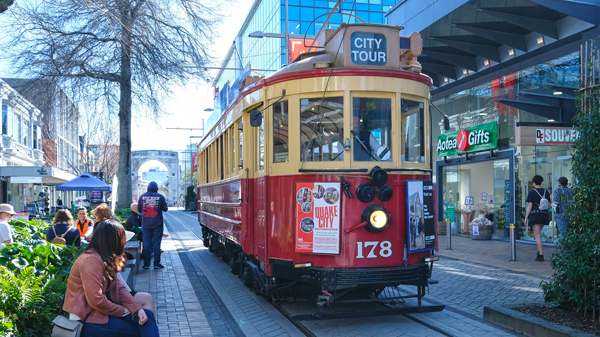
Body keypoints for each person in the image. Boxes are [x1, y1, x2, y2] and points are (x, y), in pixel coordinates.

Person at [62, 219, 159, 337]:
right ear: (113, 241)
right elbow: (96, 300)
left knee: (146, 315)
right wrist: (123, 310)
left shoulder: (102, 258)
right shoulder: (91, 261)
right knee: (139, 327)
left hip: (98, 314)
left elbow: (120, 288)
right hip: (87, 319)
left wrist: (136, 308)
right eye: (122, 240)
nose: (124, 244)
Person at [140, 181, 168, 270]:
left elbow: (139, 209)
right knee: (156, 243)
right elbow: (165, 209)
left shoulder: (142, 197)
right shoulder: (160, 197)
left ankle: (146, 264)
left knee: (146, 243)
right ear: (157, 188)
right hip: (157, 223)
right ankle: (156, 263)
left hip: (146, 223)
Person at [525, 175, 551, 261]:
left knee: (538, 236)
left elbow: (530, 206)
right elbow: (549, 205)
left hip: (535, 215)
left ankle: (541, 254)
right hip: (544, 215)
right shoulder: (546, 192)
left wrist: (526, 218)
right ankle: (539, 251)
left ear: (534, 183)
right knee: (538, 234)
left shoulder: (532, 192)